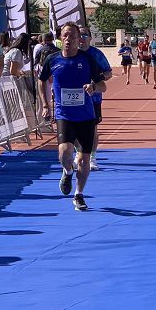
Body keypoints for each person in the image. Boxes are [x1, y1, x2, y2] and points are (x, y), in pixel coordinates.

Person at [39, 23, 107, 211]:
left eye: (73, 36)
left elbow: (103, 85)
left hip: (86, 116)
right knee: (64, 151)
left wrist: (93, 88)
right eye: (65, 36)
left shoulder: (88, 59)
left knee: (84, 159)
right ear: (61, 38)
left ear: (79, 39)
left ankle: (79, 194)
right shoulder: (52, 60)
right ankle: (67, 171)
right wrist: (45, 104)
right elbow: (42, 80)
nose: (69, 39)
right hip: (64, 115)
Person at [76, 25, 113, 171]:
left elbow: (108, 73)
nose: (82, 38)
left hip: (94, 99)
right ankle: (78, 154)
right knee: (74, 128)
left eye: (85, 35)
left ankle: (92, 157)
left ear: (90, 38)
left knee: (93, 129)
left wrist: (96, 80)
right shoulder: (70, 54)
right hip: (75, 98)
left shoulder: (96, 54)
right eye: (79, 35)